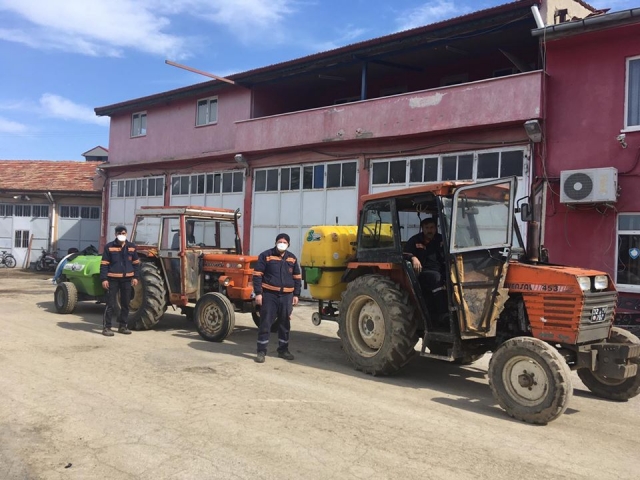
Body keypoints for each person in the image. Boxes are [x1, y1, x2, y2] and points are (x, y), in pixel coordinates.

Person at [252, 233, 302, 363]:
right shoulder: (266, 256)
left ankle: (283, 350)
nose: (282, 244)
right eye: (280, 241)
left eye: (285, 242)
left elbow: (297, 277)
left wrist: (296, 295)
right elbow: (257, 275)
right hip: (270, 295)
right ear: (275, 242)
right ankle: (261, 351)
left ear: (288, 244)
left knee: (285, 324)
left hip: (286, 296)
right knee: (266, 323)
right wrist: (258, 293)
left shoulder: (292, 259)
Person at [100, 225, 141, 336]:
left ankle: (123, 326)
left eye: (123, 233)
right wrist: (104, 279)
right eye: (119, 233)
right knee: (110, 304)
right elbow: (104, 264)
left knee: (126, 304)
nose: (121, 235)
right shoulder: (109, 247)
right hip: (112, 279)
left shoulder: (131, 247)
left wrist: (135, 277)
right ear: (115, 235)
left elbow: (136, 263)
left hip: (127, 280)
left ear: (126, 234)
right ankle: (107, 327)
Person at [403, 217, 447, 316]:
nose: (429, 230)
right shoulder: (415, 240)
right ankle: (442, 314)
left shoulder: (441, 239)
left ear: (436, 228)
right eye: (426, 228)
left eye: (432, 227)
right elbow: (405, 253)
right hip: (423, 272)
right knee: (436, 278)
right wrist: (413, 257)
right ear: (422, 228)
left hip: (441, 269)